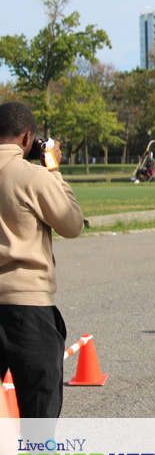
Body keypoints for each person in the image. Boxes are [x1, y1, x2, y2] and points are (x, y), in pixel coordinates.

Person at [0, 102, 84, 420]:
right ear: (27, 138)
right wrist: (53, 169)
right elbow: (72, 224)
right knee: (38, 413)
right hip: (27, 307)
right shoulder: (33, 177)